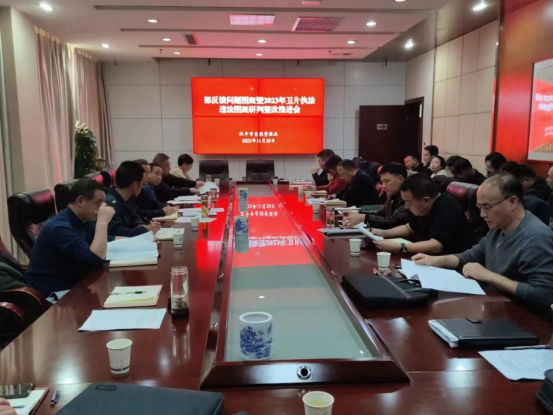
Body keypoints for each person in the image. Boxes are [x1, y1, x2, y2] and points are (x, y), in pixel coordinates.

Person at [413, 174, 553, 314]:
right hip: (497, 307)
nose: (482, 214)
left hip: (523, 317)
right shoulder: (499, 227)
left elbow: (543, 295)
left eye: (487, 207)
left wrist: (490, 276)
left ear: (512, 202)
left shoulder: (535, 237)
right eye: (480, 207)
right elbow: (470, 256)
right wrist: (435, 260)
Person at [26, 179, 116, 296]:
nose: (101, 209)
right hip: (54, 295)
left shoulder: (83, 220)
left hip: (77, 284)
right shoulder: (59, 228)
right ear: (80, 201)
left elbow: (106, 240)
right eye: (98, 204)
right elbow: (94, 259)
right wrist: (102, 222)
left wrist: (133, 242)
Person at [372, 173, 473, 255]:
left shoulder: (447, 206)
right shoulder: (424, 208)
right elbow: (409, 228)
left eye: (408, 202)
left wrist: (400, 247)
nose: (406, 207)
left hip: (452, 265)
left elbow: (436, 246)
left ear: (425, 200)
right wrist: (381, 233)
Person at [343, 163, 411, 230]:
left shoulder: (409, 196)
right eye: (382, 182)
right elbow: (381, 214)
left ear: (400, 179)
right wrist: (358, 214)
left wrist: (364, 218)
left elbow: (396, 222)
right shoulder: (392, 194)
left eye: (387, 181)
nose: (384, 186)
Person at [105, 161, 160, 237]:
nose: (142, 187)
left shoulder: (126, 198)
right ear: (135, 185)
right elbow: (116, 232)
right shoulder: (111, 203)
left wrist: (141, 225)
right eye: (142, 184)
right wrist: (145, 229)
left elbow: (134, 217)